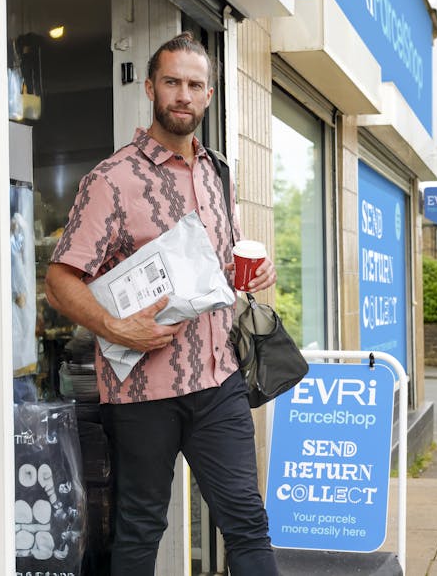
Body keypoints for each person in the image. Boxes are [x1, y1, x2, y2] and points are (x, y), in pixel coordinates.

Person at [45, 32, 280, 575]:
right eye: (171, 82)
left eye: (194, 85)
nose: (182, 94)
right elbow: (59, 280)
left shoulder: (215, 171)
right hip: (142, 391)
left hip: (218, 379)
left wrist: (254, 273)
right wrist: (117, 328)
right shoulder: (111, 179)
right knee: (140, 527)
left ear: (209, 96)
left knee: (246, 520)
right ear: (150, 88)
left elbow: (219, 266)